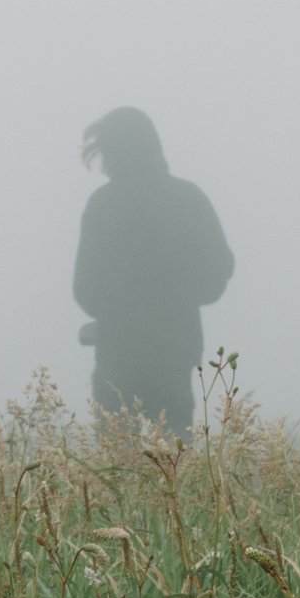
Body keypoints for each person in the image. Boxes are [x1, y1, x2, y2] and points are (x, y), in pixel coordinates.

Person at [72, 108, 235, 433]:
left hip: (116, 356)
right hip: (173, 356)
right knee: (173, 470)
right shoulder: (188, 198)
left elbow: (84, 290)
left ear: (111, 153)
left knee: (117, 468)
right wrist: (178, 301)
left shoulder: (102, 204)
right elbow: (219, 270)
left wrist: (118, 310)